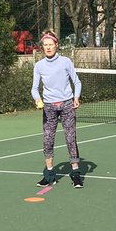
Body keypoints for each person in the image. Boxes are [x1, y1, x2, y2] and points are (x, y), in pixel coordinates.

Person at [31, 30, 84, 188]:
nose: (48, 48)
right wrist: (37, 99)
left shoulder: (66, 62)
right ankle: (49, 174)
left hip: (67, 105)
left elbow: (77, 82)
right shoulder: (39, 66)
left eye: (50, 45)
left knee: (70, 139)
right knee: (48, 141)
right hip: (49, 108)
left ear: (56, 45)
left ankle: (75, 174)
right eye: (45, 45)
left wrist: (76, 97)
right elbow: (34, 88)